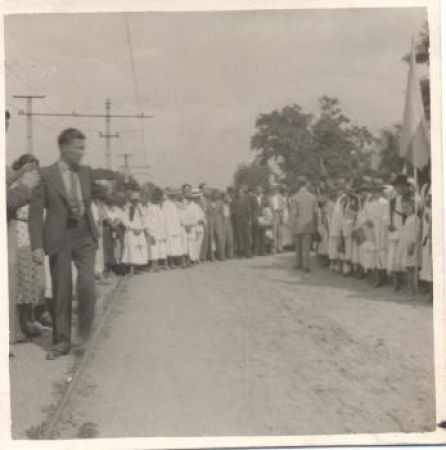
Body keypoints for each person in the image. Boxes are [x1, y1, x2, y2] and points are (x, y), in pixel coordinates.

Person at [29, 128, 99, 359]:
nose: (82, 152)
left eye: (83, 148)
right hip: (59, 237)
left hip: (84, 235)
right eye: (78, 148)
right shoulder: (45, 174)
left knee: (87, 284)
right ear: (63, 148)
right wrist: (37, 245)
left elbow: (92, 199)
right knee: (61, 289)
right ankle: (61, 341)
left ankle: (83, 334)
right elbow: (36, 213)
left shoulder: (86, 173)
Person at [6, 111, 42, 355]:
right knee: (16, 281)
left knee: (24, 280)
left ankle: (19, 326)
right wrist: (25, 185)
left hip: (19, 233)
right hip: (15, 230)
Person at [11, 154, 48, 338]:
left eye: (34, 168)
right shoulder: (14, 188)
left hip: (30, 234)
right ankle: (20, 323)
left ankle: (29, 319)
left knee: (32, 279)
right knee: (19, 279)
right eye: (28, 168)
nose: (32, 172)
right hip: (16, 233)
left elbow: (38, 215)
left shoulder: (36, 189)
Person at [290, 177, 318, 272]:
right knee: (307, 246)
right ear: (306, 185)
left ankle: (299, 264)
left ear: (298, 185)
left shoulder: (295, 197)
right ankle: (307, 265)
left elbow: (294, 212)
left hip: (298, 224)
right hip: (309, 224)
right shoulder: (313, 197)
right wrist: (316, 224)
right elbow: (316, 212)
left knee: (298, 246)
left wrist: (291, 224)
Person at [122, 190, 149, 275]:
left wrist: (141, 229)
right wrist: (133, 229)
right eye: (134, 200)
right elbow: (125, 220)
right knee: (131, 249)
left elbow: (145, 221)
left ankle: (138, 268)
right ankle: (131, 269)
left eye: (137, 200)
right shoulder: (127, 209)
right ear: (131, 201)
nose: (135, 202)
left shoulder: (141, 210)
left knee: (139, 249)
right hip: (131, 232)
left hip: (140, 232)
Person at [162, 187, 186, 268]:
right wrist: (167, 227)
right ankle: (171, 263)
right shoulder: (166, 204)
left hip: (176, 227)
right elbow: (165, 217)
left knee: (177, 245)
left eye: (174, 195)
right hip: (169, 227)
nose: (173, 196)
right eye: (172, 195)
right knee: (170, 246)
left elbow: (178, 216)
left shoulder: (174, 204)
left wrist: (179, 224)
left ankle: (179, 262)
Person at [145, 188, 168, 272]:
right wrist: (151, 234)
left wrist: (165, 232)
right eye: (157, 197)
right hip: (154, 232)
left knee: (162, 248)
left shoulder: (159, 208)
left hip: (161, 231)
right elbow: (147, 222)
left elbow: (163, 221)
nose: (159, 199)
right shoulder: (150, 208)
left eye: (160, 197)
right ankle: (154, 266)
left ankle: (163, 265)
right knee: (153, 249)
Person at [231, 185, 253, 258]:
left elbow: (249, 210)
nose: (240, 194)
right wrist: (237, 213)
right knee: (239, 237)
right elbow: (232, 211)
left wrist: (250, 219)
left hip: (245, 219)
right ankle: (241, 252)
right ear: (237, 193)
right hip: (238, 220)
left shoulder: (246, 200)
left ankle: (248, 253)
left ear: (243, 193)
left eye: (241, 192)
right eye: (239, 193)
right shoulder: (234, 201)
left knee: (247, 236)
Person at [268, 183, 287, 253]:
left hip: (280, 214)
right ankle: (273, 248)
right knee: (273, 232)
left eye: (276, 189)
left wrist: (280, 209)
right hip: (273, 215)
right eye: (273, 189)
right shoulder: (269, 198)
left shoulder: (281, 197)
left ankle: (280, 247)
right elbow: (268, 207)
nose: (274, 190)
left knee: (280, 232)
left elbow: (284, 205)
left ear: (278, 190)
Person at [251, 185, 266, 256]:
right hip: (255, 217)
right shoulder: (253, 198)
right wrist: (253, 216)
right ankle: (255, 251)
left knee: (263, 235)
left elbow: (267, 206)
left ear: (262, 190)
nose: (258, 190)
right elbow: (251, 208)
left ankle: (262, 251)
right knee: (255, 234)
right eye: (257, 189)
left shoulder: (264, 197)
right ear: (255, 190)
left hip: (263, 217)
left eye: (260, 189)